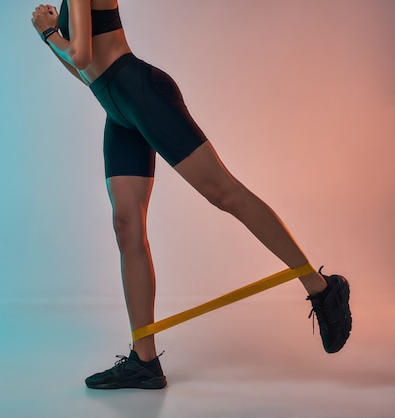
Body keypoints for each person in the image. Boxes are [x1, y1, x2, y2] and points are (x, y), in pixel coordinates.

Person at [30, 0, 352, 390]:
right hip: (117, 109)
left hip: (142, 93)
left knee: (224, 192)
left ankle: (323, 290)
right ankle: (143, 360)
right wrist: (51, 39)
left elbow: (79, 51)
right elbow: (85, 70)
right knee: (126, 226)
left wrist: (51, 33)